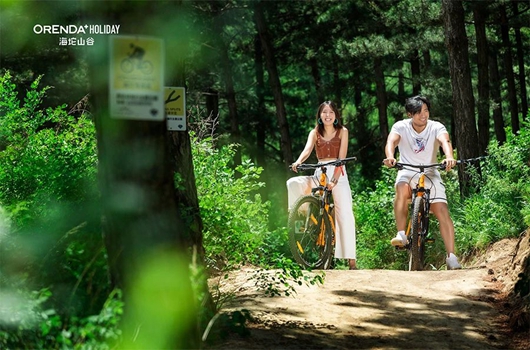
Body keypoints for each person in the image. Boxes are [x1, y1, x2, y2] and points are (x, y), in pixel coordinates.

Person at [382, 95, 462, 270]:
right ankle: (401, 234)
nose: (423, 115)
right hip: (407, 170)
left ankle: (451, 256)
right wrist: (390, 156)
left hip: (430, 171)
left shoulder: (436, 126)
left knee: (442, 210)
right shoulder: (400, 126)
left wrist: (449, 157)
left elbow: (445, 141)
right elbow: (391, 142)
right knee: (401, 189)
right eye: (418, 112)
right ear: (410, 114)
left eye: (425, 110)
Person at [287, 101, 357, 270]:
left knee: (344, 212)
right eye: (324, 112)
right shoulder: (315, 132)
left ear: (336, 115)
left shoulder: (342, 132)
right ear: (319, 116)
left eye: (331, 112)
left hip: (339, 172)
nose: (327, 115)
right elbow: (307, 150)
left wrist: (334, 180)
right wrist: (298, 161)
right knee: (293, 182)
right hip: (320, 170)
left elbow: (341, 159)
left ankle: (351, 260)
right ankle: (303, 215)